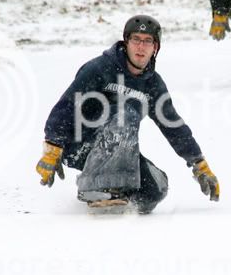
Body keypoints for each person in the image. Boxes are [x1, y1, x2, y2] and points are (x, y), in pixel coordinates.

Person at [36, 15, 220, 213]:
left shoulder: (153, 85)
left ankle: (116, 194)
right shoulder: (100, 68)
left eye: (148, 41)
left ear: (155, 48)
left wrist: (199, 163)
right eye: (136, 40)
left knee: (156, 188)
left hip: (118, 149)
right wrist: (53, 146)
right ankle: (98, 187)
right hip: (79, 143)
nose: (141, 47)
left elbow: (173, 125)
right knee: (125, 112)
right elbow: (66, 105)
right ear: (126, 42)